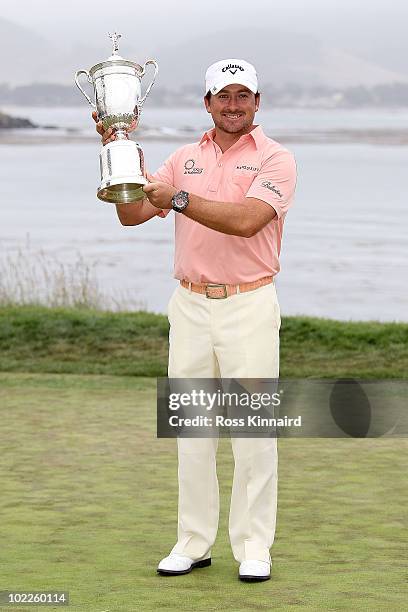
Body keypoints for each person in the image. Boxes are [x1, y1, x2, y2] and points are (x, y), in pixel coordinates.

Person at [94, 58, 297, 582]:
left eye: (242, 95)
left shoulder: (277, 159)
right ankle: (193, 542)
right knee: (192, 432)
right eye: (222, 96)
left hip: (249, 303)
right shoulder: (182, 157)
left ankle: (254, 547)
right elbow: (132, 213)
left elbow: (250, 222)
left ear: (257, 102)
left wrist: (179, 199)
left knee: (253, 434)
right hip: (188, 305)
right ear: (206, 104)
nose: (233, 105)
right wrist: (115, 151)